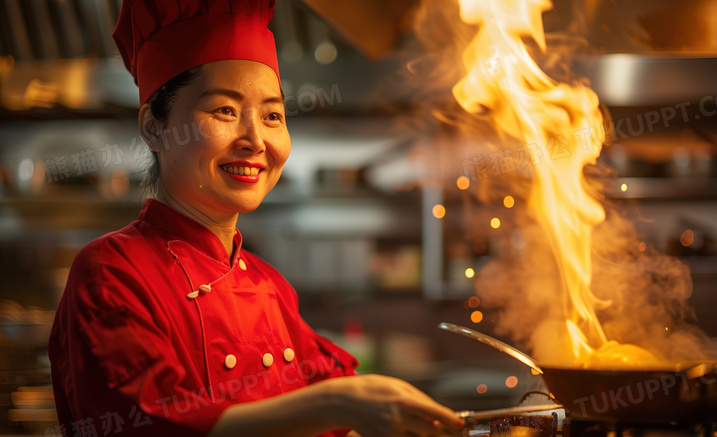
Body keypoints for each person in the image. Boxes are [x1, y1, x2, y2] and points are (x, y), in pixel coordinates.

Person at [47, 1, 464, 436]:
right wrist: (336, 405)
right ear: (154, 126)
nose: (255, 140)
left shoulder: (268, 286)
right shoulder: (111, 270)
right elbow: (150, 423)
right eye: (225, 111)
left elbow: (339, 398)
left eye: (272, 116)